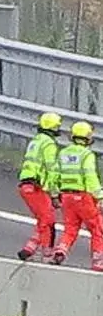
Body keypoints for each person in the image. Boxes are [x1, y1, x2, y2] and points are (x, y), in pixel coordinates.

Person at [52, 121, 103, 271]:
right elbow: (90, 176)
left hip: (66, 196)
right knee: (97, 229)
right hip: (83, 196)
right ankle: (98, 260)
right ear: (88, 137)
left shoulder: (63, 153)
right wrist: (99, 196)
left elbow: (55, 175)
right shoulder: (86, 154)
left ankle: (60, 250)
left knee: (70, 228)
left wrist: (55, 194)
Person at [17, 112, 62, 262]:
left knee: (43, 218)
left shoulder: (35, 141)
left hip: (26, 185)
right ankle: (47, 254)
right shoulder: (49, 144)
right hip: (36, 186)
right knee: (48, 221)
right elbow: (52, 170)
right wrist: (55, 194)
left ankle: (29, 248)